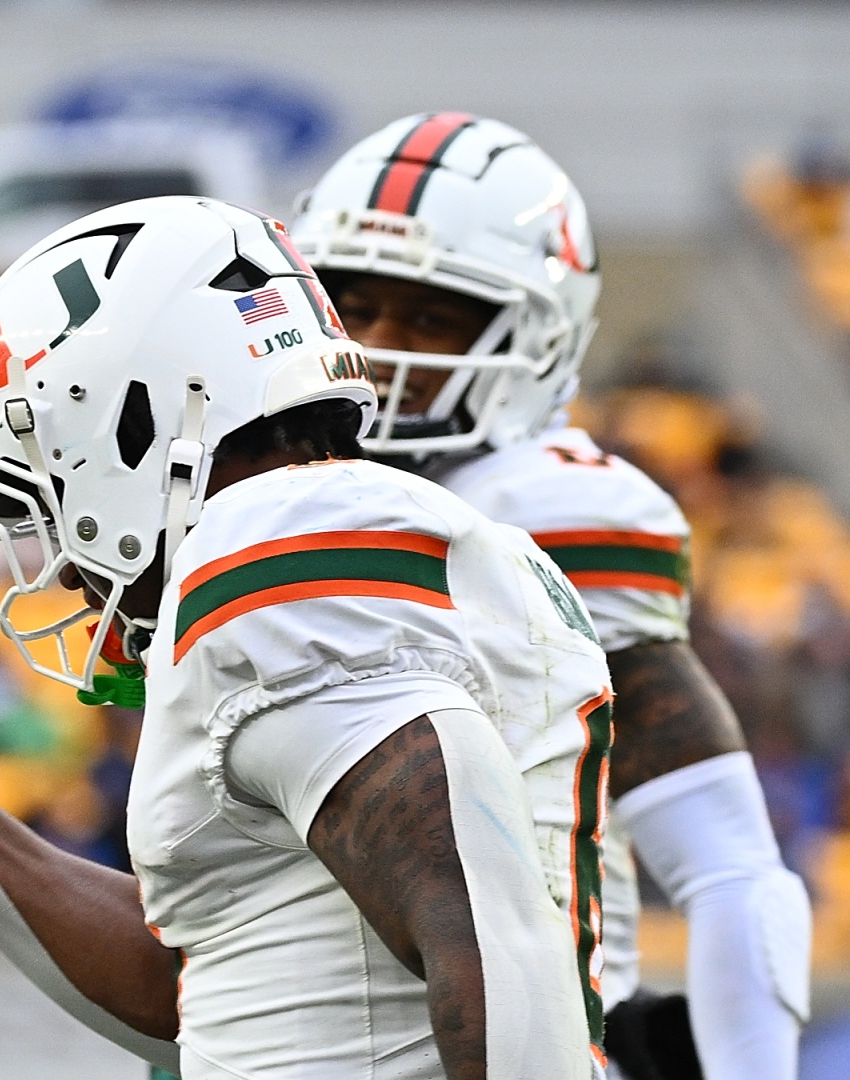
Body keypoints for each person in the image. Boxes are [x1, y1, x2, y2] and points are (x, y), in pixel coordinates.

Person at [0, 195, 609, 1078]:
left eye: (49, 493)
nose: (65, 569)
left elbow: (487, 939)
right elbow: (209, 985)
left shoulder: (280, 543)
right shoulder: (358, 546)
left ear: (129, 423)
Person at [289, 113, 811, 1080]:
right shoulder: (251, 502)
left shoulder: (542, 513)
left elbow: (733, 872)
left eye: (431, 318)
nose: (380, 351)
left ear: (539, 336)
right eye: (354, 307)